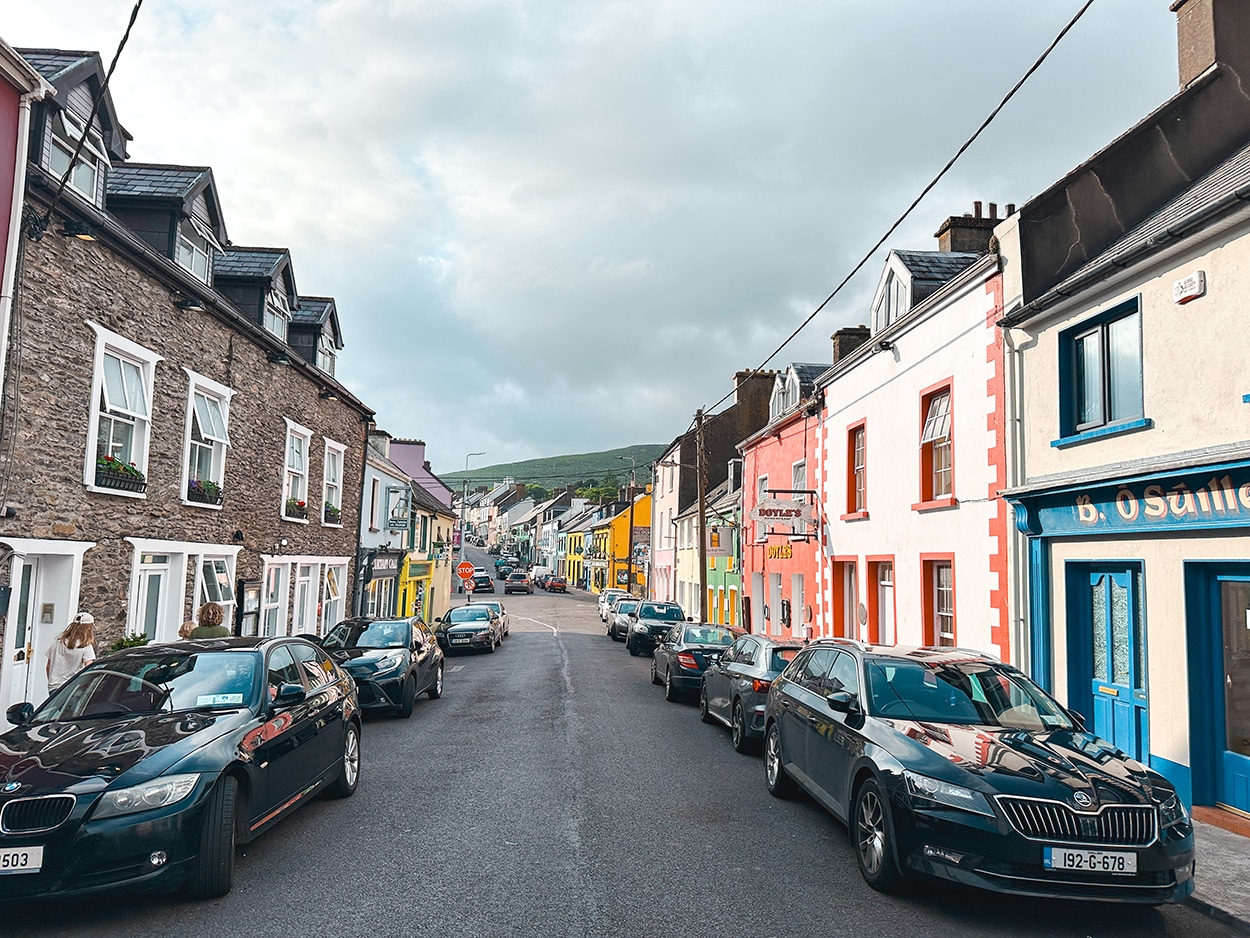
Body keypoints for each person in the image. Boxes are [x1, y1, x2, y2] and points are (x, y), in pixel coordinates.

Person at [46, 612, 96, 694]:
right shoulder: (85, 646)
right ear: (88, 628)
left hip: (54, 687)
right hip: (73, 688)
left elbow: (48, 666)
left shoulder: (58, 641)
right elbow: (89, 669)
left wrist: (52, 680)